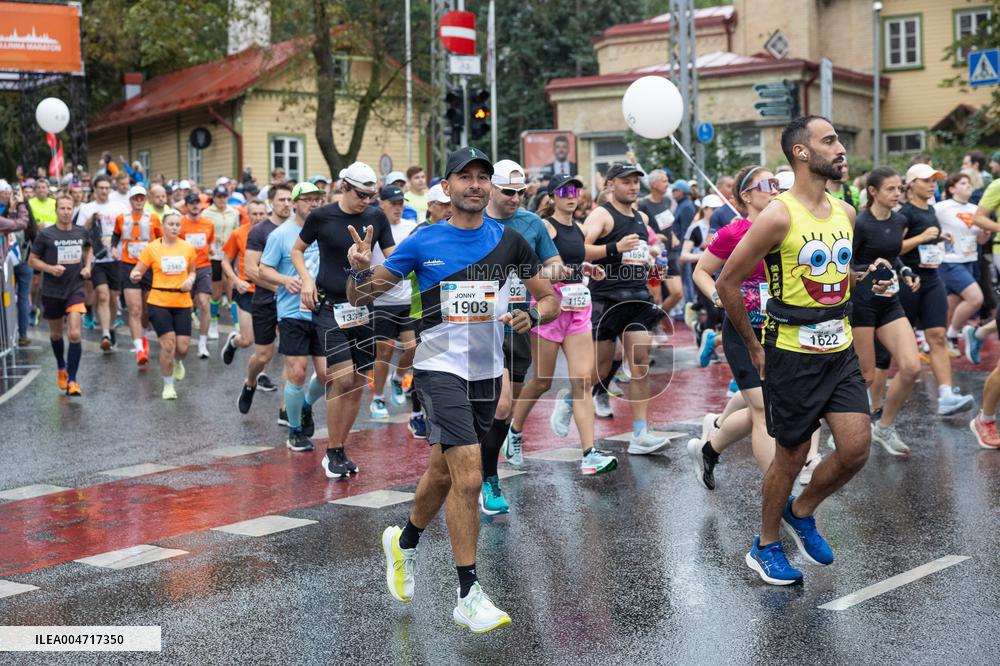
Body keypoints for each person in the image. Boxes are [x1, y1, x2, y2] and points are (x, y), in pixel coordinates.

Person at [348, 146, 558, 634]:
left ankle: (403, 544)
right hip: (438, 367)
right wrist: (359, 269)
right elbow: (362, 296)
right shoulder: (424, 241)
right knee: (468, 477)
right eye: (465, 176)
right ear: (446, 187)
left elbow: (547, 299)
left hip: (485, 371)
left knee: (442, 472)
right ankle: (467, 593)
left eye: (483, 177)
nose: (476, 184)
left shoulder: (509, 243)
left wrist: (533, 314)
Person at [716, 115, 886, 586]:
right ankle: (765, 545)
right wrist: (752, 346)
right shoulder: (778, 215)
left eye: (839, 138)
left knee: (855, 449)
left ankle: (802, 509)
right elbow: (727, 281)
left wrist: (867, 280)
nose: (841, 148)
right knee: (790, 456)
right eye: (830, 140)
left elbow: (834, 279)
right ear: (802, 153)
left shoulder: (845, 213)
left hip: (840, 348)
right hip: (791, 352)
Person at [505, 175, 617, 475]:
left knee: (582, 382)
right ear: (552, 197)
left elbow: (574, 261)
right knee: (542, 381)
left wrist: (585, 268)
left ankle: (589, 453)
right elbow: (530, 263)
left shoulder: (580, 228)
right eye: (564, 191)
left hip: (578, 308)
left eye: (575, 190)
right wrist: (553, 271)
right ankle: (514, 431)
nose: (572, 195)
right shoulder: (545, 227)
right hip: (550, 307)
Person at [294, 163, 397, 478]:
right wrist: (307, 280)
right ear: (344, 187)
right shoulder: (321, 217)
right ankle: (333, 450)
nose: (366, 200)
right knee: (341, 377)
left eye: (371, 194)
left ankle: (339, 449)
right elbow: (297, 250)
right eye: (360, 194)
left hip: (363, 308)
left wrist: (377, 271)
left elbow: (393, 255)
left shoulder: (376, 217)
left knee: (357, 384)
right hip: (329, 307)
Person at [689, 166, 788, 489]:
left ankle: (709, 448)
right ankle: (776, 489)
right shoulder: (734, 233)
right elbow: (702, 271)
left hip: (780, 328)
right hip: (742, 329)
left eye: (777, 183)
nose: (775, 189)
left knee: (762, 404)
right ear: (746, 195)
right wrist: (717, 295)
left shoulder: (786, 228)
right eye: (767, 184)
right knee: (761, 407)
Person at [481, 159, 565, 514]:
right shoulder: (475, 222)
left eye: (521, 192)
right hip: (478, 325)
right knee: (498, 404)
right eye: (508, 192)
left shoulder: (531, 224)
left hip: (518, 322)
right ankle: (487, 476)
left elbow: (556, 264)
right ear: (491, 188)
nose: (516, 198)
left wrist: (535, 270)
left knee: (504, 408)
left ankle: (482, 465)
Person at [582, 162, 669, 453]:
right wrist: (614, 248)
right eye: (626, 181)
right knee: (601, 367)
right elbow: (580, 249)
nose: (633, 187)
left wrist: (653, 259)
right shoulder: (601, 215)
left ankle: (640, 433)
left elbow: (646, 252)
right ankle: (571, 400)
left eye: (635, 181)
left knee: (640, 362)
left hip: (637, 297)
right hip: (606, 299)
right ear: (610, 185)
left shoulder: (642, 217)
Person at [850, 167, 922, 455]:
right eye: (891, 189)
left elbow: (894, 255)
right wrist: (867, 270)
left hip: (890, 301)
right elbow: (845, 263)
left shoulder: (900, 219)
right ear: (873, 192)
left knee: (912, 367)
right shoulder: (860, 223)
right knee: (866, 376)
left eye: (899, 188)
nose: (897, 194)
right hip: (863, 303)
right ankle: (849, 432)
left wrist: (904, 271)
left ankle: (885, 427)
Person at [897, 164, 975, 415]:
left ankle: (946, 395)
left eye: (934, 180)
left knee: (938, 336)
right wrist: (921, 238)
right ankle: (873, 397)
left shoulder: (931, 209)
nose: (932, 184)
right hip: (908, 281)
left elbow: (927, 236)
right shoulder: (904, 214)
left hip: (932, 278)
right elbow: (893, 248)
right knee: (895, 341)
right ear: (911, 185)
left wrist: (939, 238)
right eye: (926, 180)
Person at [260, 183, 327, 452]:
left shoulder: (325, 231)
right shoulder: (281, 235)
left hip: (322, 310)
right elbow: (263, 270)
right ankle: (295, 430)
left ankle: (306, 406)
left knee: (327, 375)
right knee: (297, 372)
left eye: (316, 200)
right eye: (307, 200)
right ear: (295, 204)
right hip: (291, 312)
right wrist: (285, 279)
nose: (313, 204)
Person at [129, 213, 197, 400]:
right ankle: (168, 385)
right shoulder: (152, 249)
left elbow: (192, 272)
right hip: (159, 301)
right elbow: (138, 270)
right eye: (171, 224)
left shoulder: (188, 248)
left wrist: (190, 281)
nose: (175, 228)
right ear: (163, 226)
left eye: (177, 224)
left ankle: (177, 362)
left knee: (182, 348)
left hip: (182, 301)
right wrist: (134, 275)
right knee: (168, 345)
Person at [28, 194, 91, 395]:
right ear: (56, 211)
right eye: (62, 208)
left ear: (73, 210)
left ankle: (72, 380)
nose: (65, 212)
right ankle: (61, 367)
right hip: (53, 290)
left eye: (68, 208)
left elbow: (89, 248)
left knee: (74, 334)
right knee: (56, 334)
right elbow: (32, 260)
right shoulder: (46, 235)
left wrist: (88, 266)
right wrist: (49, 268)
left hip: (75, 288)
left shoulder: (81, 232)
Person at [237, 186, 290, 414]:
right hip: (266, 299)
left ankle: (287, 410)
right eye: (282, 199)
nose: (287, 204)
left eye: (290, 199)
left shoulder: (300, 230)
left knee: (293, 356)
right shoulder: (260, 231)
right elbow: (250, 270)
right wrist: (281, 286)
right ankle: (250, 382)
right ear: (271, 202)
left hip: (293, 302)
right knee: (263, 355)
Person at [368, 184, 418, 419]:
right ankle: (377, 399)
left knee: (412, 348)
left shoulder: (411, 228)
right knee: (384, 352)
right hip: (381, 300)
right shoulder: (373, 230)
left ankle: (398, 379)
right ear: (382, 204)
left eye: (401, 203)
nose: (399, 208)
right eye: (394, 204)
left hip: (407, 297)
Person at [113, 185, 162, 366]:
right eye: (136, 198)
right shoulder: (121, 218)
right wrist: (113, 248)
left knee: (148, 309)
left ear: (145, 200)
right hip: (129, 266)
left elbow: (161, 240)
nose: (139, 201)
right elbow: (115, 235)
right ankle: (139, 349)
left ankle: (144, 336)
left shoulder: (154, 218)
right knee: (134, 309)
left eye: (141, 198)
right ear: (131, 201)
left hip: (149, 267)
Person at [936, 172, 984, 357]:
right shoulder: (941, 207)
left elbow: (980, 239)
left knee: (952, 306)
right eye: (963, 183)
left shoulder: (975, 209)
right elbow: (926, 225)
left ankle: (936, 343)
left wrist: (985, 233)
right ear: (952, 188)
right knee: (975, 299)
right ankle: (952, 335)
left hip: (969, 260)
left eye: (969, 183)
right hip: (949, 261)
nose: (968, 186)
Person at [76, 174, 125, 351]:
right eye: (101, 188)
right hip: (96, 258)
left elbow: (125, 230)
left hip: (116, 258)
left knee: (113, 297)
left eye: (106, 188)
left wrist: (113, 242)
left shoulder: (119, 207)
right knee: (102, 295)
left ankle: (111, 329)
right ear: (95, 189)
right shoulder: (86, 209)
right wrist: (89, 223)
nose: (104, 191)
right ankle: (104, 333)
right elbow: (80, 233)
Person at [220, 199, 267, 364]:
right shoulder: (238, 233)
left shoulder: (274, 232)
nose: (258, 217)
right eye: (254, 214)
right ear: (247, 215)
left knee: (266, 342)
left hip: (268, 289)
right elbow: (225, 262)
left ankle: (261, 376)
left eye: (262, 213)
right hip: (246, 289)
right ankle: (234, 341)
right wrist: (236, 280)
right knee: (247, 340)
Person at [202, 184, 242, 338]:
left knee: (232, 289)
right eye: (219, 196)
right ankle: (213, 322)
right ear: (214, 197)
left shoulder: (233, 212)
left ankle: (237, 324)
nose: (221, 199)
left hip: (229, 254)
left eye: (224, 196)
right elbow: (202, 232)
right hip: (214, 255)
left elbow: (237, 231)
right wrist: (212, 238)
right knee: (217, 292)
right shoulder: (207, 213)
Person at [1, 181, 33, 346]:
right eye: (4, 193)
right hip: (5, 263)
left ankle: (21, 334)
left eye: (9, 192)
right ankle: (7, 337)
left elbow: (29, 228)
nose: (7, 196)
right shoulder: (16, 208)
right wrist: (20, 205)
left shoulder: (17, 209)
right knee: (6, 299)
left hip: (21, 259)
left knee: (21, 297)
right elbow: (21, 224)